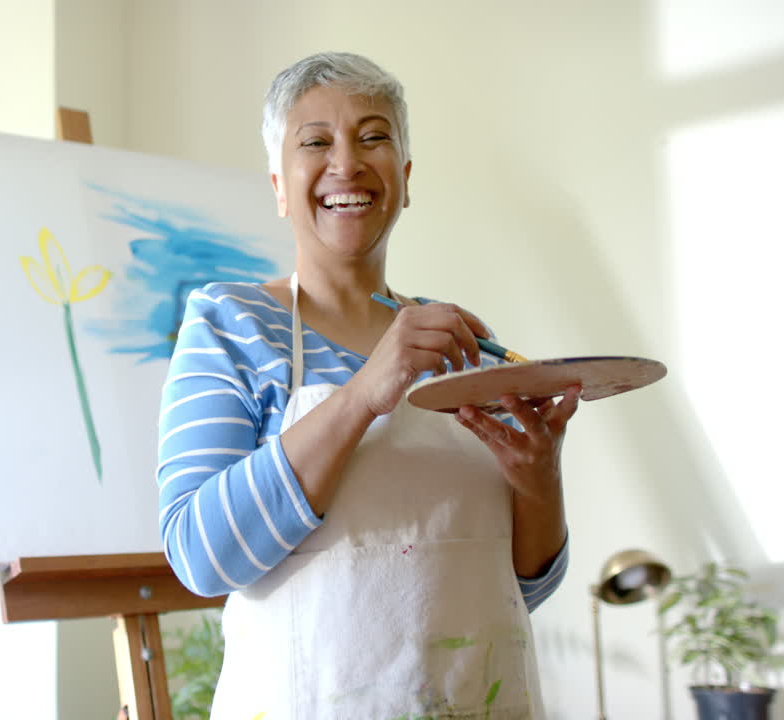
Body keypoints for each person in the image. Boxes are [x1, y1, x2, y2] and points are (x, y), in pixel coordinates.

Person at [156, 52, 577, 719]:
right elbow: (200, 556)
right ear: (278, 184)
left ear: (404, 179)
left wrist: (538, 479)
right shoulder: (231, 325)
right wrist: (363, 394)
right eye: (315, 142)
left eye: (374, 137)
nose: (346, 164)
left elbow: (512, 587)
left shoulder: (458, 343)